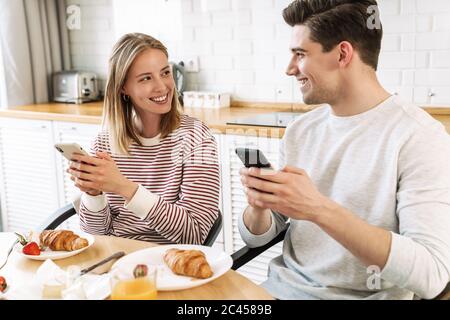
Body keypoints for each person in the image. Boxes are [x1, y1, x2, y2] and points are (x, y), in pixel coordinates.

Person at [239, 0, 450, 300]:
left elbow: (432, 275)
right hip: (275, 293)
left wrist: (318, 209)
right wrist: (259, 205)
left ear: (342, 54)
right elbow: (258, 237)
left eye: (300, 54)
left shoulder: (419, 137)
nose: (289, 69)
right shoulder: (300, 131)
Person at [68, 33, 220, 245]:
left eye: (165, 73)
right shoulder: (104, 144)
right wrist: (93, 194)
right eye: (146, 78)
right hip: (115, 261)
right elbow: (96, 235)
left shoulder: (196, 138)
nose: (162, 86)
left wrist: (124, 187)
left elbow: (193, 234)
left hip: (169, 264)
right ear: (123, 88)